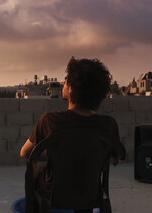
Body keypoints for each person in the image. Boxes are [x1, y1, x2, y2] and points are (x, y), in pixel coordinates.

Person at [20, 57, 125, 213]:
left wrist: (53, 157)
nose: (63, 84)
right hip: (91, 192)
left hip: (53, 193)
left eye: (65, 81)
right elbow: (113, 159)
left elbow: (25, 153)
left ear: (70, 87)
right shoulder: (109, 125)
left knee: (33, 172)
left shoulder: (49, 121)